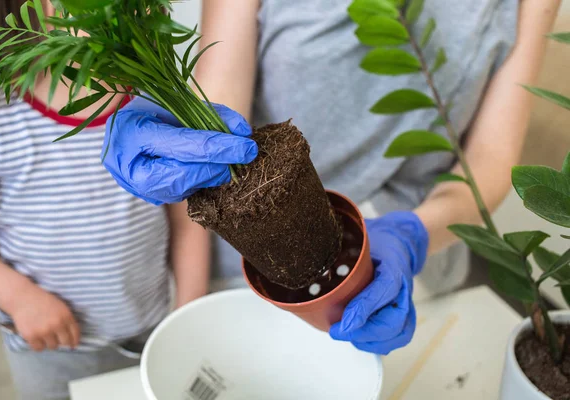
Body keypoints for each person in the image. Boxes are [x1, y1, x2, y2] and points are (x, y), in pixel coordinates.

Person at [103, 0, 559, 355]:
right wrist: (180, 128)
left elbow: (490, 159)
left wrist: (416, 234)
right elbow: (222, 91)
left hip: (400, 272)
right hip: (257, 261)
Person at [0, 1, 219, 399]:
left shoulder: (158, 101)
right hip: (48, 347)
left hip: (150, 330)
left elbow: (186, 218)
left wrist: (186, 316)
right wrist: (17, 296)